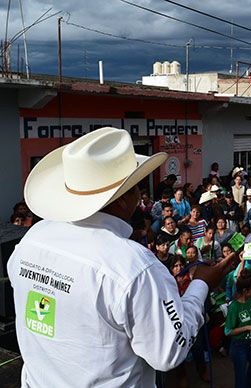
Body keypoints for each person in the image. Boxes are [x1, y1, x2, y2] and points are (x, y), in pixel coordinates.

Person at [7, 127, 231, 386]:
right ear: (126, 198)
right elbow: (169, 351)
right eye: (137, 189)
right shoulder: (134, 266)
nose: (140, 197)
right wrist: (200, 286)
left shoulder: (33, 239)